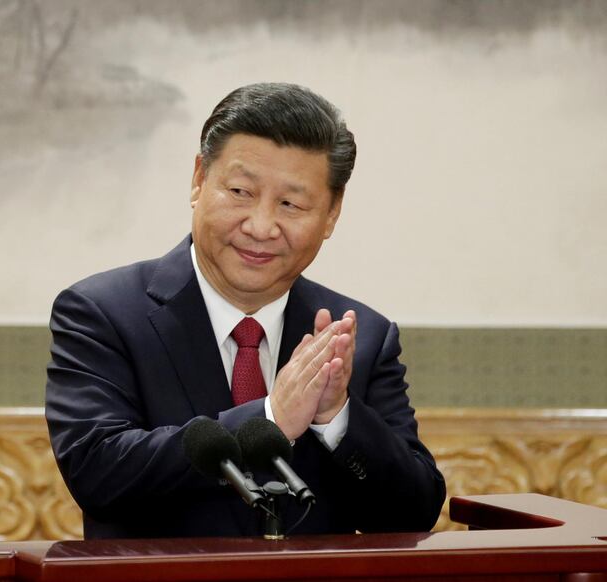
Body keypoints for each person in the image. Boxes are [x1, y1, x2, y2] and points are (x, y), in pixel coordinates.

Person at [46, 82, 446, 539]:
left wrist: (337, 417)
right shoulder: (103, 313)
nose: (260, 226)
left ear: (332, 214)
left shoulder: (360, 336)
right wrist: (271, 418)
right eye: (239, 191)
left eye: (290, 204)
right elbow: (98, 473)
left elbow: (414, 512)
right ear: (199, 179)